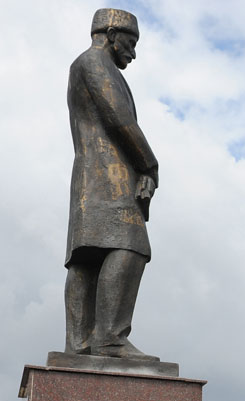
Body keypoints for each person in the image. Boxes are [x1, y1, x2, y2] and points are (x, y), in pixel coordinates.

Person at [64, 8, 159, 359]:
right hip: (108, 176)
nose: (133, 52)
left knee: (88, 257)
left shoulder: (87, 65)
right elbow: (119, 119)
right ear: (112, 34)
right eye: (130, 43)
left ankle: (79, 344)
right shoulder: (95, 63)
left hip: (91, 178)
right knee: (131, 246)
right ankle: (109, 338)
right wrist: (149, 164)